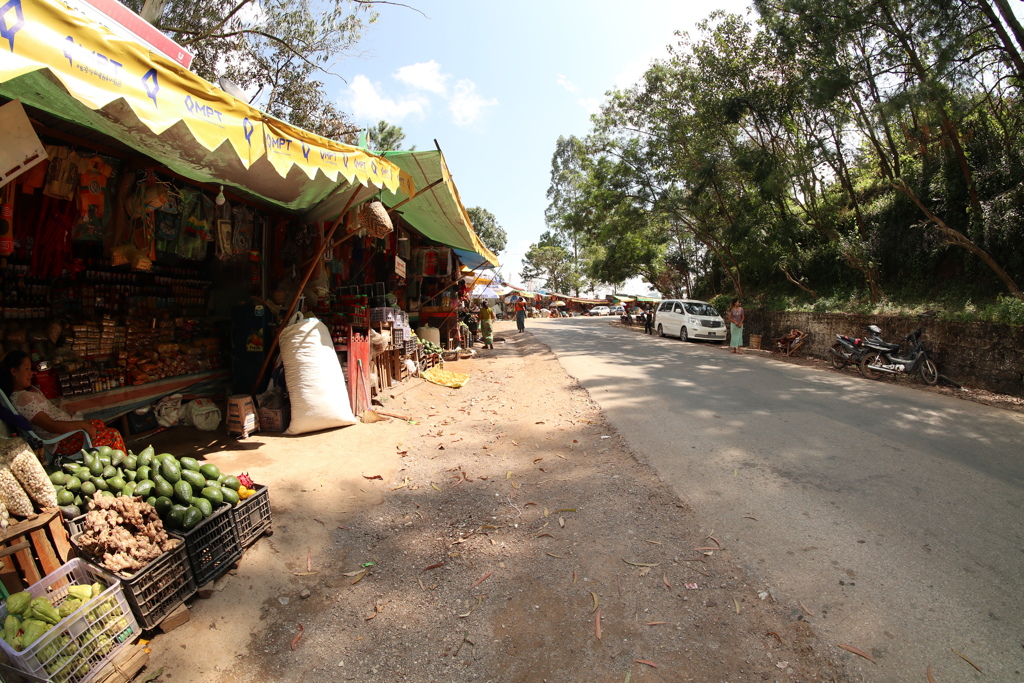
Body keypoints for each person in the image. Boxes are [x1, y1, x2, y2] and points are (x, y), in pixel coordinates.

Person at [1, 350, 126, 458]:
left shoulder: (24, 394)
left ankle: (108, 460)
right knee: (113, 434)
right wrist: (82, 425)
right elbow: (51, 426)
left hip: (64, 435)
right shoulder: (22, 398)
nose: (31, 373)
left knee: (97, 423)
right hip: (60, 442)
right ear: (13, 372)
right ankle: (121, 467)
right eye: (26, 369)